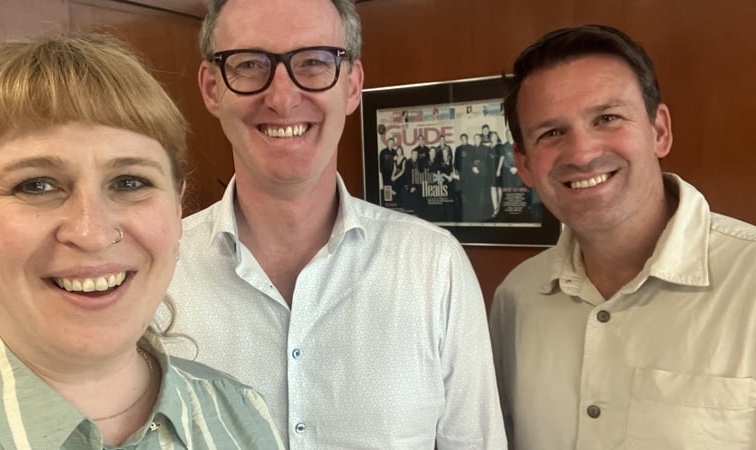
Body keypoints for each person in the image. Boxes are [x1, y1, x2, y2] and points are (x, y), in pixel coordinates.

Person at [162, 0, 507, 448]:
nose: (283, 98)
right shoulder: (158, 269)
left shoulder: (432, 265)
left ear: (351, 86)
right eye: (249, 64)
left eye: (314, 62)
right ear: (212, 88)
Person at [0, 34, 283, 449]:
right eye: (36, 185)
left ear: (177, 208)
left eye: (130, 182)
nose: (92, 233)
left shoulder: (239, 416)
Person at [490, 24, 756, 450]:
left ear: (660, 131)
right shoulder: (517, 299)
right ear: (523, 164)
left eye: (607, 118)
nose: (582, 153)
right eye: (552, 133)